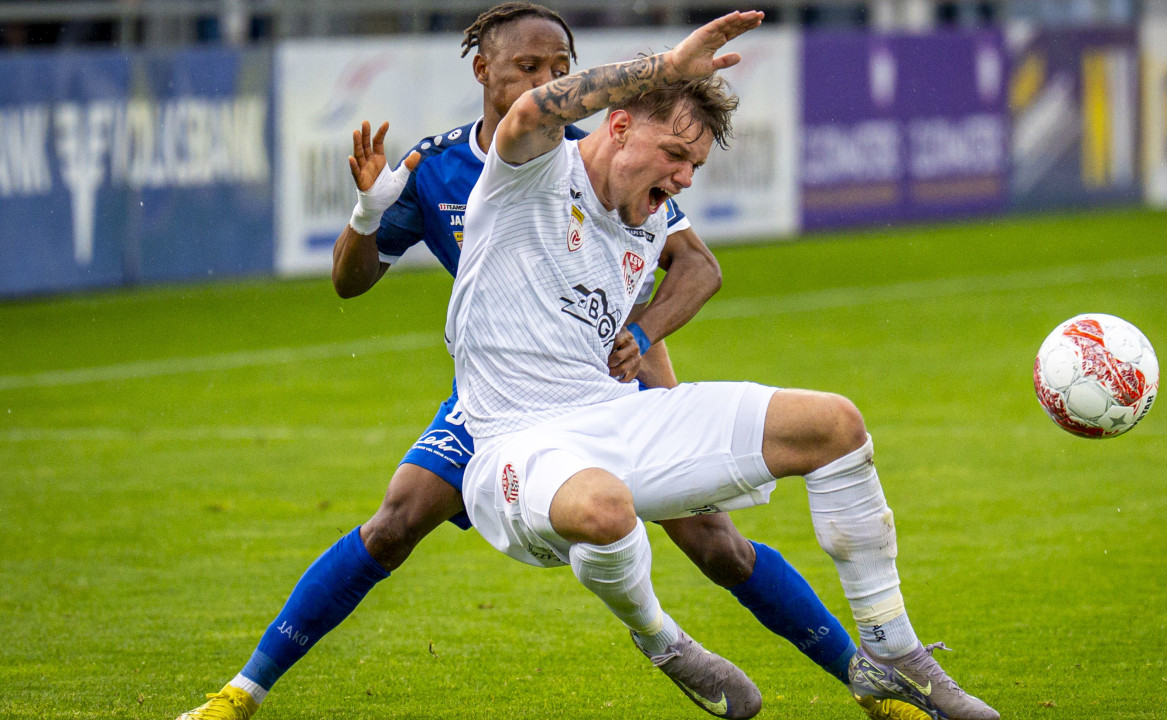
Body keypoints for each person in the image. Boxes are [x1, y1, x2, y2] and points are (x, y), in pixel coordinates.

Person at [176, 5, 862, 720]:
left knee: (718, 545)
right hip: (499, 398)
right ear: (483, 70)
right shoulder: (438, 166)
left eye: (560, 68)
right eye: (529, 68)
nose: (548, 79)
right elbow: (351, 282)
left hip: (599, 387)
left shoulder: (597, 155)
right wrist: (365, 213)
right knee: (394, 523)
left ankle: (871, 683)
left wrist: (642, 329)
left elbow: (695, 266)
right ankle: (240, 693)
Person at [447, 9, 1000, 720]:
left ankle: (894, 650)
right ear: (618, 128)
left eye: (696, 166)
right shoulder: (530, 172)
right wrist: (666, 70)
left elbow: (692, 280)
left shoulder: (648, 219)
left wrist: (676, 422)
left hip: (613, 416)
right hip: (516, 442)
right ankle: (664, 641)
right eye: (674, 154)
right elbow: (530, 109)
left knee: (835, 425)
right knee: (607, 510)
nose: (683, 178)